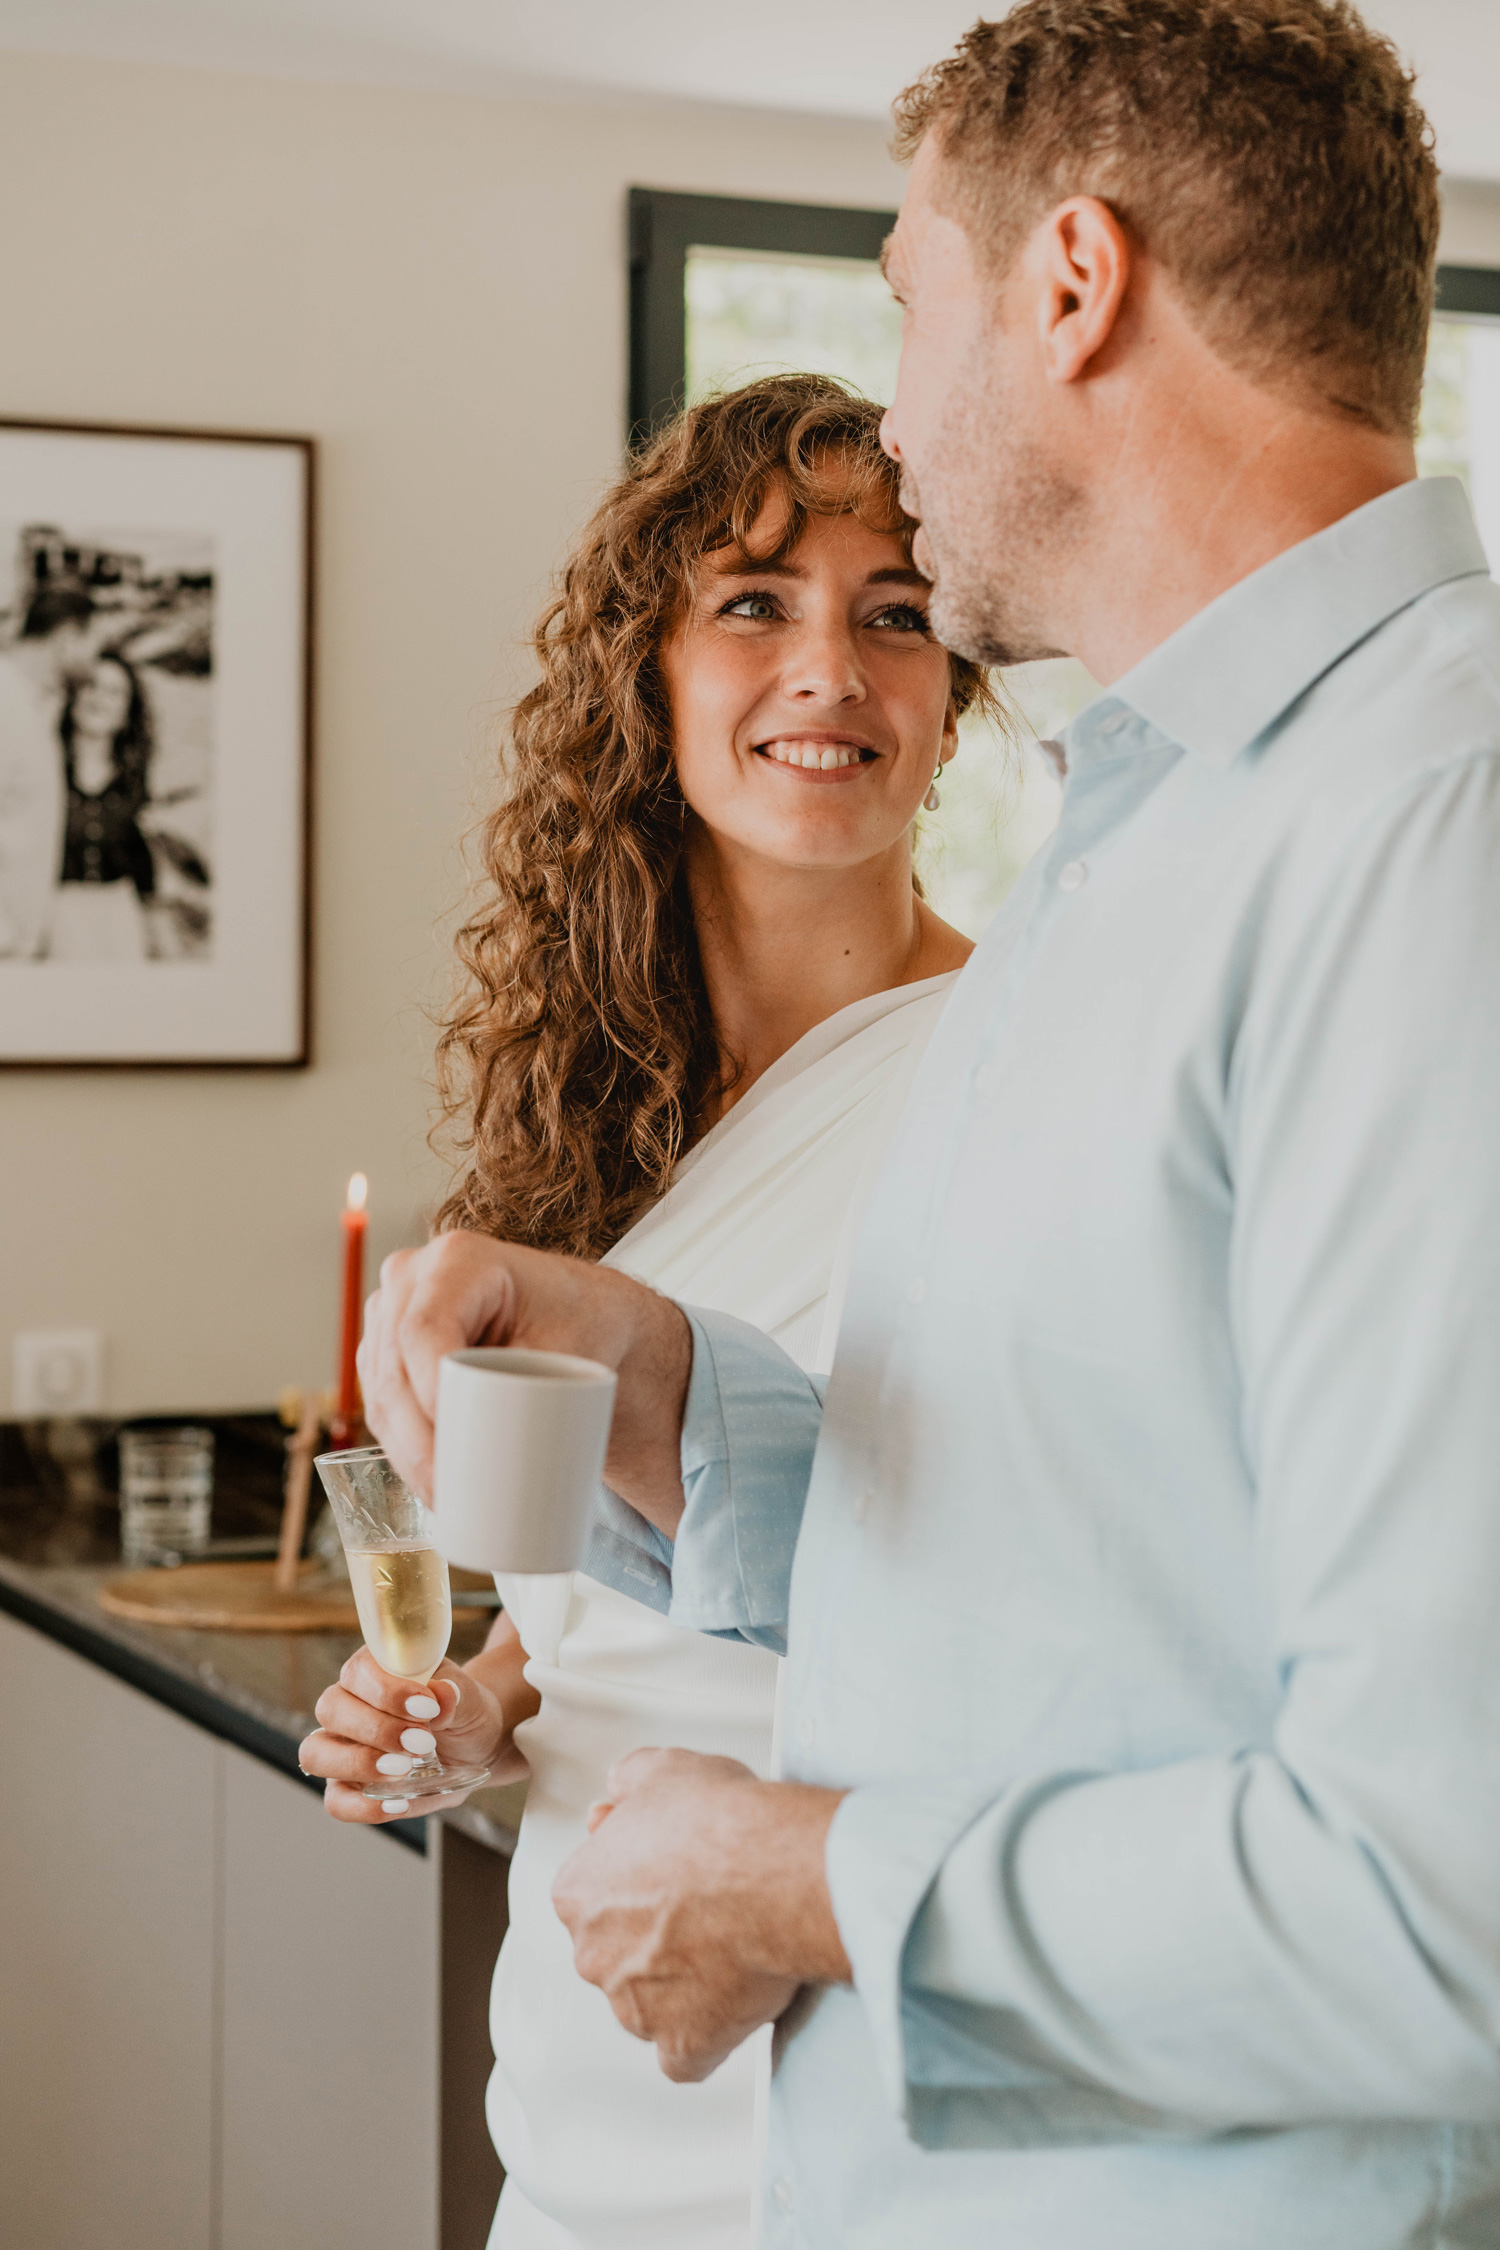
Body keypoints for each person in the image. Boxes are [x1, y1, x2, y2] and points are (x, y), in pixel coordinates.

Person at [355, 3, 1500, 2245]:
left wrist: (801, 1883)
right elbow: (1061, 1553)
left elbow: (1447, 1883)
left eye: (906, 299)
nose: (896, 401)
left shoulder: (1431, 843)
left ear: (1071, 285)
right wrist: (669, 1391)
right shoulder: (1146, 834)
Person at [300, 375, 998, 2247]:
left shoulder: (1026, 1074)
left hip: (839, 2051)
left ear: (958, 693)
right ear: (648, 671)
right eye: (756, 603)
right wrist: (475, 1709)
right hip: (581, 2067)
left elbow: (1024, 1584)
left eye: (897, 611)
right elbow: (597, 1613)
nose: (832, 668)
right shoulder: (586, 1132)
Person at [0, 586, 94, 958]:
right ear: (68, 639)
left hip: (21, 941)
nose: (95, 660)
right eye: (93, 645)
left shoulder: (40, 704)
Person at [50, 649, 159, 962]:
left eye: (114, 692)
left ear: (127, 712)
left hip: (120, 927)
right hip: (56, 924)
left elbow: (149, 882)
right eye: (92, 686)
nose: (100, 698)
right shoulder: (46, 775)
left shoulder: (137, 787)